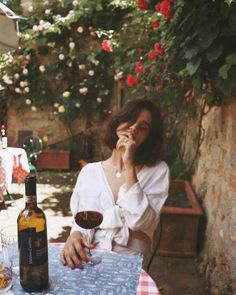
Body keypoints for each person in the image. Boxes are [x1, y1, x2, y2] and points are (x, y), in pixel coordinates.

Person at [60, 99, 170, 270]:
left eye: (143, 127)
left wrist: (129, 166)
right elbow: (82, 220)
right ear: (118, 122)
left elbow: (141, 223)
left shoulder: (157, 170)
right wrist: (74, 235)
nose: (133, 128)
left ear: (148, 138)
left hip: (130, 258)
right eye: (130, 119)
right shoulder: (89, 172)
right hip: (89, 253)